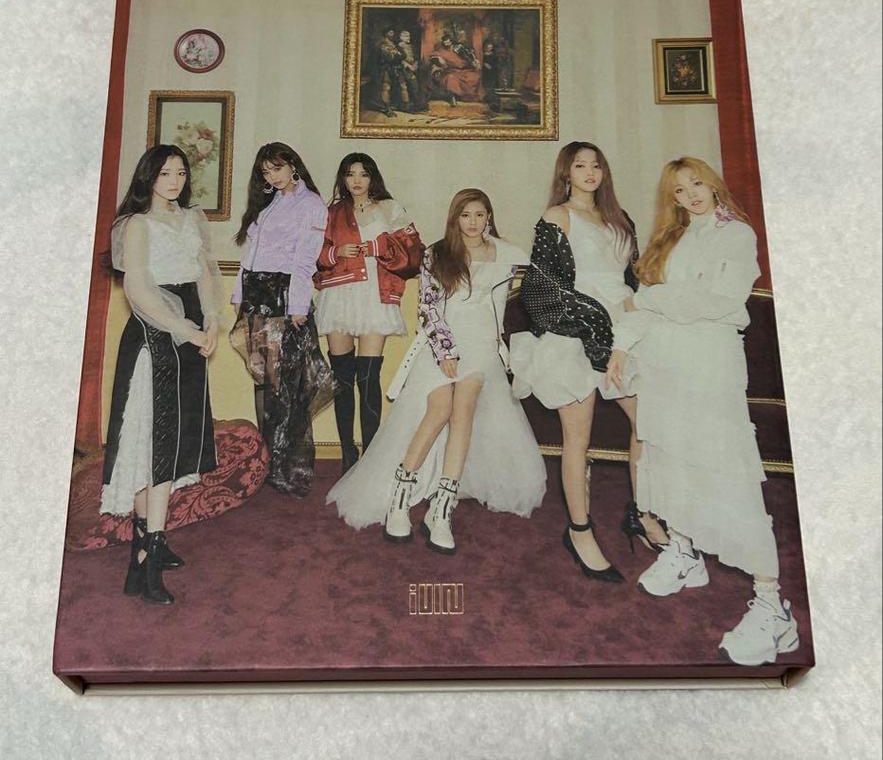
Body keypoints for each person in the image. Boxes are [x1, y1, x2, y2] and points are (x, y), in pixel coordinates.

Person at [606, 157, 799, 666]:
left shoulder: (736, 235)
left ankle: (772, 604)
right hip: (664, 366)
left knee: (726, 473)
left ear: (714, 184)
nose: (690, 194)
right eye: (679, 189)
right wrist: (622, 345)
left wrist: (654, 300)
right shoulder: (669, 239)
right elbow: (645, 303)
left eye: (697, 183)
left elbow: (719, 301)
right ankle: (685, 552)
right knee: (671, 461)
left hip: (710, 367)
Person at [326, 189, 546, 553]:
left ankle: (442, 509)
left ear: (489, 217)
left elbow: (505, 303)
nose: (473, 222)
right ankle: (400, 497)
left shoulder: (505, 254)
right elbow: (428, 309)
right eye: (465, 215)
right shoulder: (437, 254)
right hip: (440, 344)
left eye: (479, 215)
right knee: (439, 408)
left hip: (481, 347)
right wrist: (445, 352)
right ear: (455, 218)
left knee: (464, 411)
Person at [509, 142, 666, 584]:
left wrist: (640, 318)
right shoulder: (557, 216)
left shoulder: (620, 218)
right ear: (567, 173)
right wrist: (596, 325)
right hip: (574, 331)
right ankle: (579, 530)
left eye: (596, 165)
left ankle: (642, 512)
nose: (590, 172)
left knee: (647, 424)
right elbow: (541, 290)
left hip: (624, 331)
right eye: (580, 165)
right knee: (578, 439)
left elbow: (632, 278)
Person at [101, 145, 223, 605]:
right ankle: (146, 557)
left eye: (181, 173)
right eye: (165, 173)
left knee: (173, 439)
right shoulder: (137, 224)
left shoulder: (191, 218)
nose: (174, 181)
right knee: (152, 439)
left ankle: (148, 546)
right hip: (155, 333)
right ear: (149, 177)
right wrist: (183, 329)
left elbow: (204, 273)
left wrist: (211, 321)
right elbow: (138, 287)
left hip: (189, 328)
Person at [230, 142, 336, 496]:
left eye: (276, 168)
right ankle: (267, 462)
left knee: (286, 386)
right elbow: (250, 254)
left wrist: (298, 305)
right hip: (257, 297)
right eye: (265, 171)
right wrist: (239, 296)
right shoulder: (269, 202)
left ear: (293, 166)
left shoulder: (311, 204)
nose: (271, 176)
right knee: (263, 380)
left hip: (283, 296)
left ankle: (287, 466)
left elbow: (306, 259)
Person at [314, 153, 423, 472]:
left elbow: (414, 253)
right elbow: (313, 252)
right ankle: (348, 455)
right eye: (350, 174)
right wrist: (335, 252)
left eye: (363, 173)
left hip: (375, 295)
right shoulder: (332, 212)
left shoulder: (390, 208)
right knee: (342, 378)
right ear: (343, 179)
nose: (357, 180)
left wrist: (378, 247)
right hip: (339, 294)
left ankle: (371, 457)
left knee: (368, 376)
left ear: (373, 177)